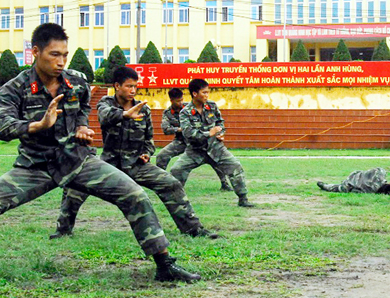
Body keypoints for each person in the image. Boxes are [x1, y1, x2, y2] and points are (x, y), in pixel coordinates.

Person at [0, 24, 201, 287]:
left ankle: (164, 265)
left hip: (78, 159)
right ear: (36, 52)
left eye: (65, 55)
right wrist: (38, 125)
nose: (60, 62)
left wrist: (81, 125)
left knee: (135, 195)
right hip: (36, 165)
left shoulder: (77, 81)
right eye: (54, 55)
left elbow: (83, 104)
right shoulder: (14, 89)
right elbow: (1, 127)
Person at [50, 67, 217, 240]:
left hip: (136, 164)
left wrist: (146, 152)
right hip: (109, 164)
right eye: (129, 86)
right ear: (117, 86)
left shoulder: (142, 109)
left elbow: (149, 140)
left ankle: (193, 229)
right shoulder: (105, 104)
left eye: (135, 86)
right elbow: (104, 116)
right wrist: (124, 114)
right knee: (75, 188)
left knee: (171, 184)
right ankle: (63, 230)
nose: (132, 90)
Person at [170, 78, 254, 207]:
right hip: (195, 151)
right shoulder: (185, 112)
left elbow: (220, 122)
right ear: (194, 94)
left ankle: (243, 199)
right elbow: (188, 134)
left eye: (208, 92)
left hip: (216, 148)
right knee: (176, 170)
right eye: (204, 92)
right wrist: (208, 133)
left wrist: (220, 133)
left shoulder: (212, 106)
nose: (207, 95)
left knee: (235, 167)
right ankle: (176, 201)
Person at [155, 87, 231, 192]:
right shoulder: (168, 113)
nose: (181, 103)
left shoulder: (190, 107)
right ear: (171, 100)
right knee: (161, 156)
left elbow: (208, 122)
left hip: (198, 140)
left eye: (182, 99)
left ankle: (225, 184)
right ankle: (160, 181)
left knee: (214, 159)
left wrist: (217, 133)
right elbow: (166, 129)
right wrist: (181, 129)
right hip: (181, 141)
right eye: (178, 101)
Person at [316, 167, 390, 195]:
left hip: (355, 176)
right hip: (351, 182)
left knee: (340, 188)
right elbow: (354, 190)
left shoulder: (380, 173)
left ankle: (324, 185)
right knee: (338, 188)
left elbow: (375, 170)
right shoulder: (370, 191)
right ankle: (324, 185)